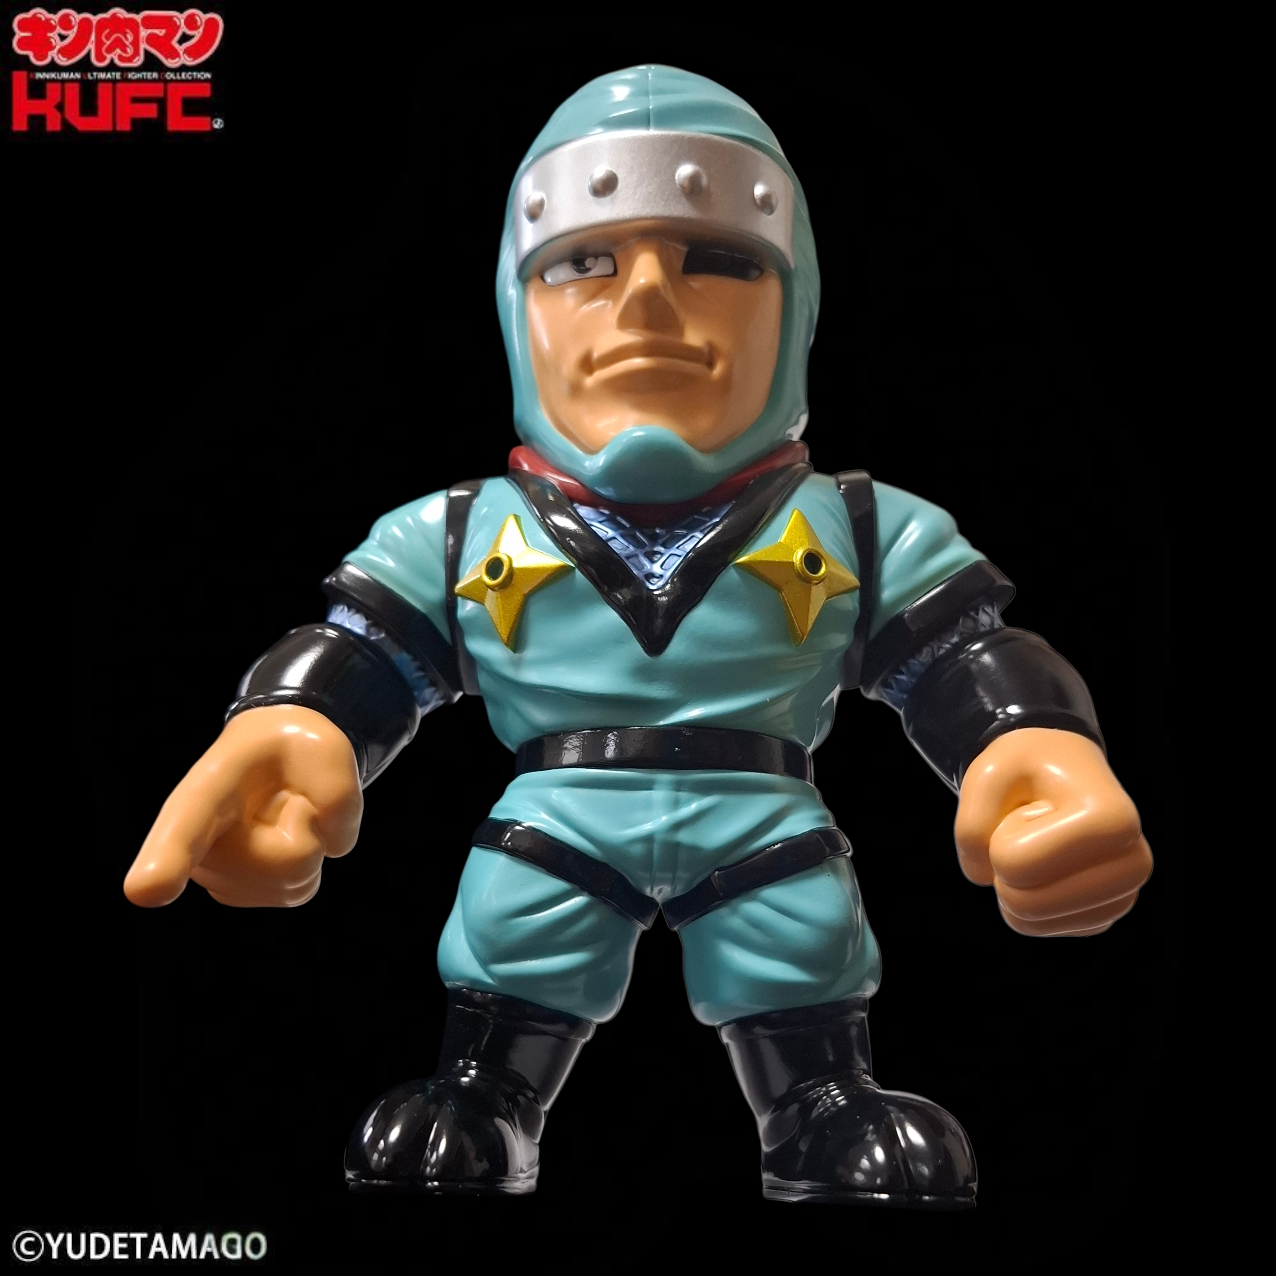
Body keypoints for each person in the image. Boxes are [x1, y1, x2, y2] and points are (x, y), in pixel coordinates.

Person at [124, 65, 1153, 1207]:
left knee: (797, 933)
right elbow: (365, 647)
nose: (650, 302)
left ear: (796, 308)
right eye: (583, 265)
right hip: (558, 816)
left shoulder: (860, 526)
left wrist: (1031, 745)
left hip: (762, 813)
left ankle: (820, 1099)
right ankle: (485, 1087)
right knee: (518, 928)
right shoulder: (462, 531)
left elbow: (963, 652)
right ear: (517, 313)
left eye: (719, 260)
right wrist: (292, 724)